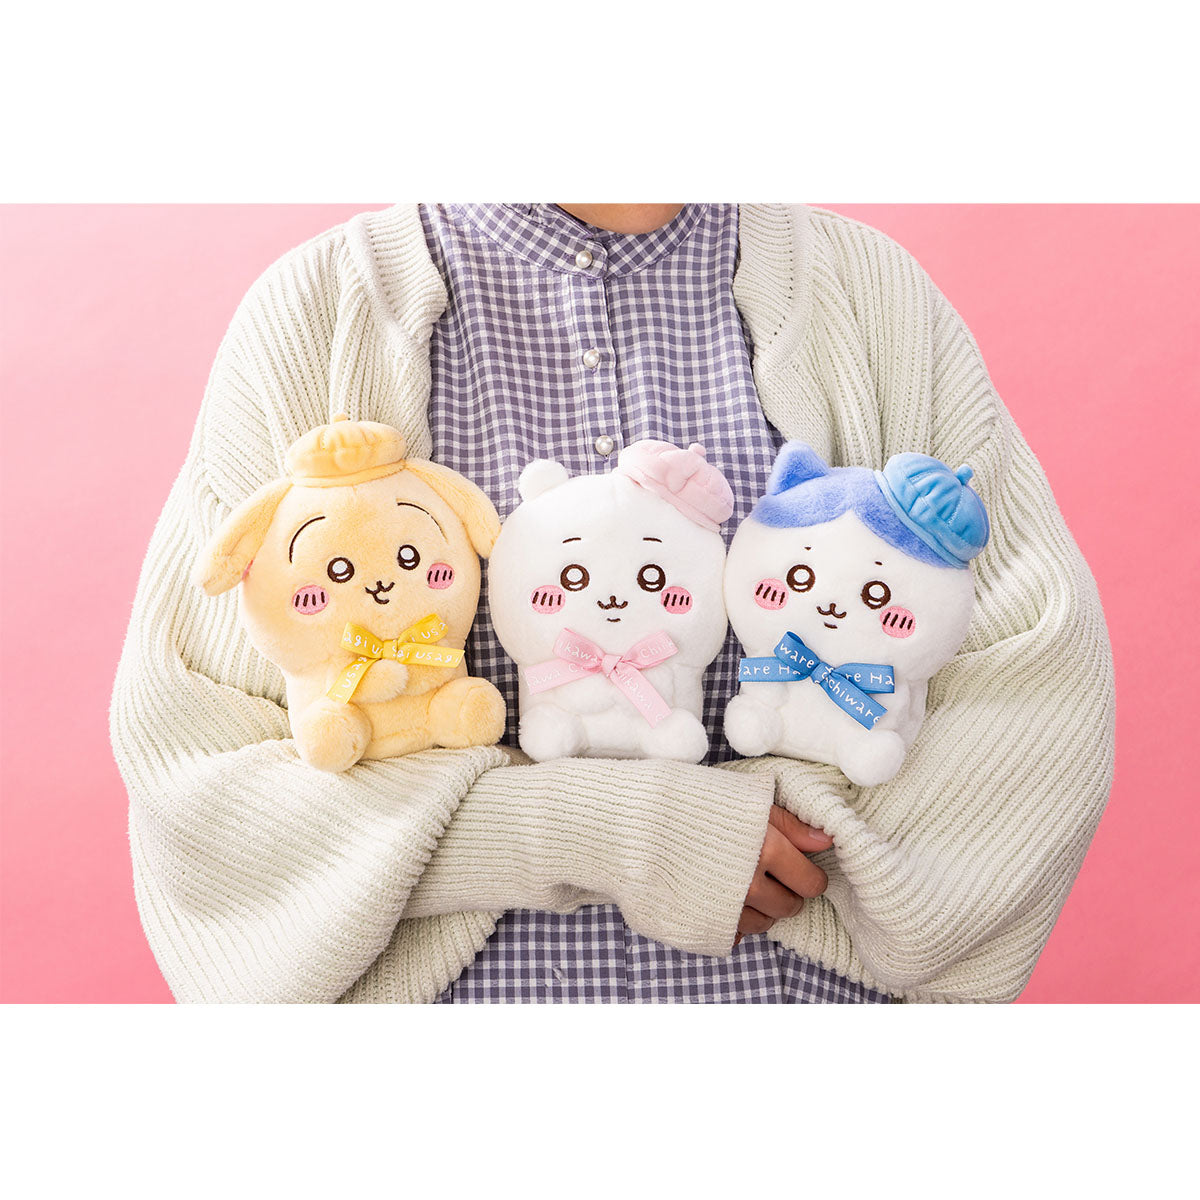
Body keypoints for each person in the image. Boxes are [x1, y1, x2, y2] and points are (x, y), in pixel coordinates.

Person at [110, 203, 1115, 1003]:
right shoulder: (315, 314)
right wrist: (609, 832)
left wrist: (792, 846)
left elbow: (1038, 702)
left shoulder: (873, 297)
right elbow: (202, 776)